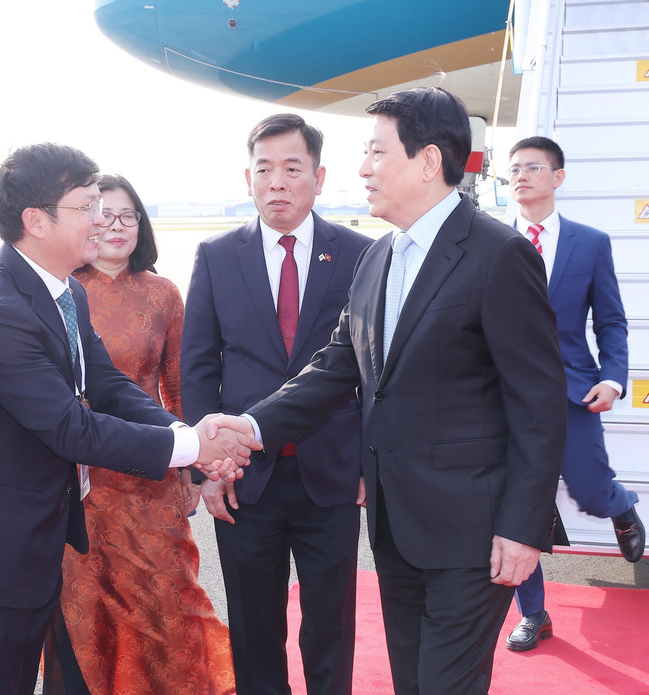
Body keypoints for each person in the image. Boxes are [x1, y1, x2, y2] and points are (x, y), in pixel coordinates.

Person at [228, 88, 567, 694]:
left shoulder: (500, 254)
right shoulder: (378, 256)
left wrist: (524, 528)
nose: (363, 168)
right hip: (396, 530)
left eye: (376, 152)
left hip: (474, 535)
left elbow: (538, 404)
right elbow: (334, 368)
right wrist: (249, 429)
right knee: (412, 683)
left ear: (429, 161)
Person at [0, 143, 259, 695]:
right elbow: (72, 428)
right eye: (87, 206)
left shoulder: (64, 291)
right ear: (36, 221)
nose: (101, 219)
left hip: (32, 541)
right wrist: (193, 448)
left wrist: (180, 432)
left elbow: (106, 385)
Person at [181, 113, 371, 695]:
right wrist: (204, 469)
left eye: (292, 168)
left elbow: (370, 371)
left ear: (318, 177)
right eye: (265, 169)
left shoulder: (361, 253)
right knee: (253, 624)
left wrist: (367, 464)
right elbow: (198, 367)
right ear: (248, 178)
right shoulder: (216, 256)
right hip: (243, 480)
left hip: (331, 474)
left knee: (330, 623)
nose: (277, 182)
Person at [41, 173, 236, 695]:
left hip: (154, 476)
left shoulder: (163, 292)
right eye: (104, 214)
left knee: (168, 603)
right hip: (81, 479)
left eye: (129, 215)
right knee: (85, 607)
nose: (117, 226)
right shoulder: (62, 292)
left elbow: (178, 385)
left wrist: (194, 467)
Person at [504, 136, 642, 651]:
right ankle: (534, 613)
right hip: (506, 399)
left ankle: (620, 504)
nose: (520, 175)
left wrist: (611, 377)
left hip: (574, 391)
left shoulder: (590, 242)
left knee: (588, 488)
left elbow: (611, 321)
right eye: (513, 169)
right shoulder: (490, 242)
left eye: (532, 167)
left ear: (557, 177)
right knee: (516, 505)